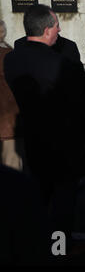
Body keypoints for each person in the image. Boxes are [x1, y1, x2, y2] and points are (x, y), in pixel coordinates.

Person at [4, 4, 85, 253]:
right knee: (63, 204)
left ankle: (37, 244)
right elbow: (80, 102)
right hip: (63, 144)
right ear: (47, 30)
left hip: (32, 139)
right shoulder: (65, 66)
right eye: (56, 25)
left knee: (39, 197)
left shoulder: (12, 59)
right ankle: (59, 249)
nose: (60, 29)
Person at [0, 20, 24, 171]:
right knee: (11, 163)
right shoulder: (8, 53)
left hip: (7, 113)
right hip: (7, 115)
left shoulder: (8, 50)